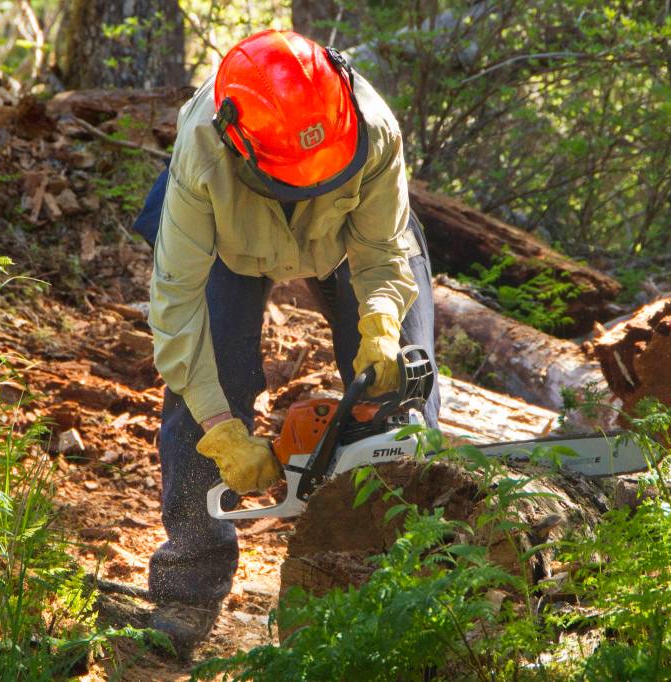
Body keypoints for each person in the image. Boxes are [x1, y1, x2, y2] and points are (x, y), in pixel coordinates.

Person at [130, 29, 440, 655]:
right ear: (238, 143)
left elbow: (383, 252)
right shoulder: (203, 152)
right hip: (231, 247)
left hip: (349, 245)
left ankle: (411, 577)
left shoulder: (373, 128)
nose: (314, 182)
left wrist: (379, 323)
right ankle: (188, 587)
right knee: (205, 388)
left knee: (406, 381)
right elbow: (176, 310)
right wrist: (222, 425)